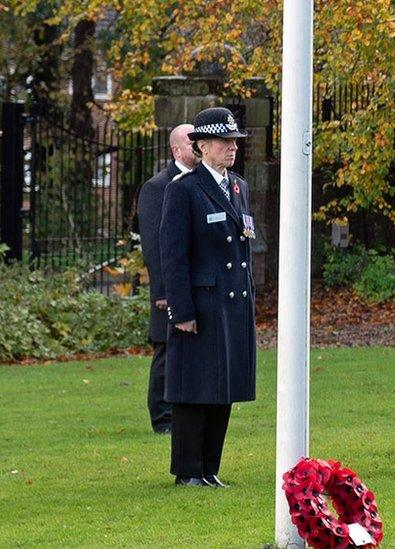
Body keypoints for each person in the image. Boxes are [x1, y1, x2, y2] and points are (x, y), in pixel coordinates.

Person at [159, 107, 256, 487]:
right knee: (194, 389)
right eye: (224, 141)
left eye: (234, 141)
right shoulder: (182, 190)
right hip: (201, 304)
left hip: (232, 303)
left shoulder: (238, 187)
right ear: (201, 146)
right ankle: (188, 470)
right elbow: (173, 255)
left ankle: (210, 468)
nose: (232, 148)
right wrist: (181, 310)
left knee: (223, 387)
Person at [137, 124, 199, 434]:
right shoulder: (156, 187)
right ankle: (162, 417)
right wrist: (162, 290)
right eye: (192, 144)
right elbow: (153, 241)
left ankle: (185, 411)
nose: (198, 149)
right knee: (166, 348)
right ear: (176, 150)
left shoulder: (199, 184)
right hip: (168, 288)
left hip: (192, 283)